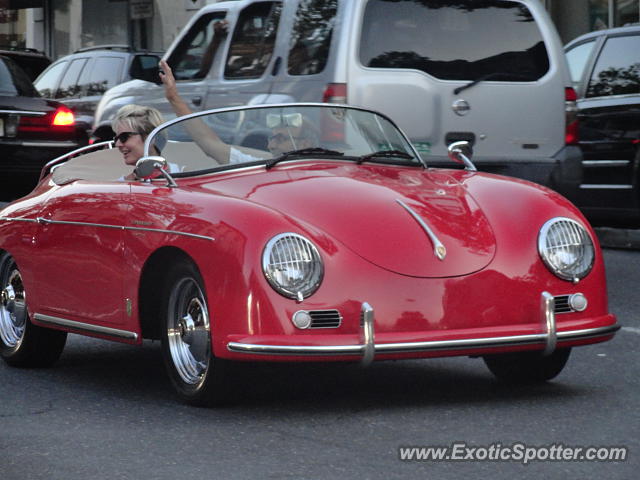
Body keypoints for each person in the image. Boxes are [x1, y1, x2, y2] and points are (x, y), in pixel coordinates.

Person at [159, 59, 319, 165]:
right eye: (272, 138)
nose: (272, 144)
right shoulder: (257, 166)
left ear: (305, 144)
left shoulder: (324, 169)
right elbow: (210, 144)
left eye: (281, 138)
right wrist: (174, 98)